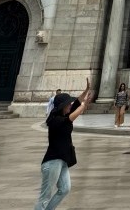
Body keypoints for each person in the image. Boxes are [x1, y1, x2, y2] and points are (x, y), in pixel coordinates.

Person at [33, 78, 93, 210]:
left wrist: (86, 90)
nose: (70, 105)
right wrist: (84, 106)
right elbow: (72, 116)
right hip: (52, 162)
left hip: (62, 160)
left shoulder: (64, 114)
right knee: (45, 197)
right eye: (68, 104)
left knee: (65, 188)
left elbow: (76, 103)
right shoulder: (55, 120)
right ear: (62, 106)